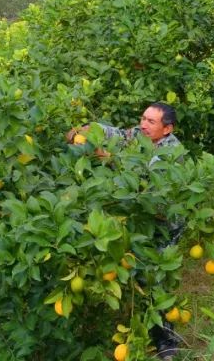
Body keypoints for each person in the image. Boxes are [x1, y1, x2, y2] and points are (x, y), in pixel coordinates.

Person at [66, 102, 184, 358]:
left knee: (155, 278)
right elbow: (118, 134)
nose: (143, 125)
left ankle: (167, 342)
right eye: (143, 118)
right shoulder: (140, 136)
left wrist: (110, 160)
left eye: (151, 122)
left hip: (165, 224)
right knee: (139, 273)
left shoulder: (170, 153)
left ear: (167, 129)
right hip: (142, 220)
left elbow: (144, 185)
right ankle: (142, 327)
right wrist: (87, 129)